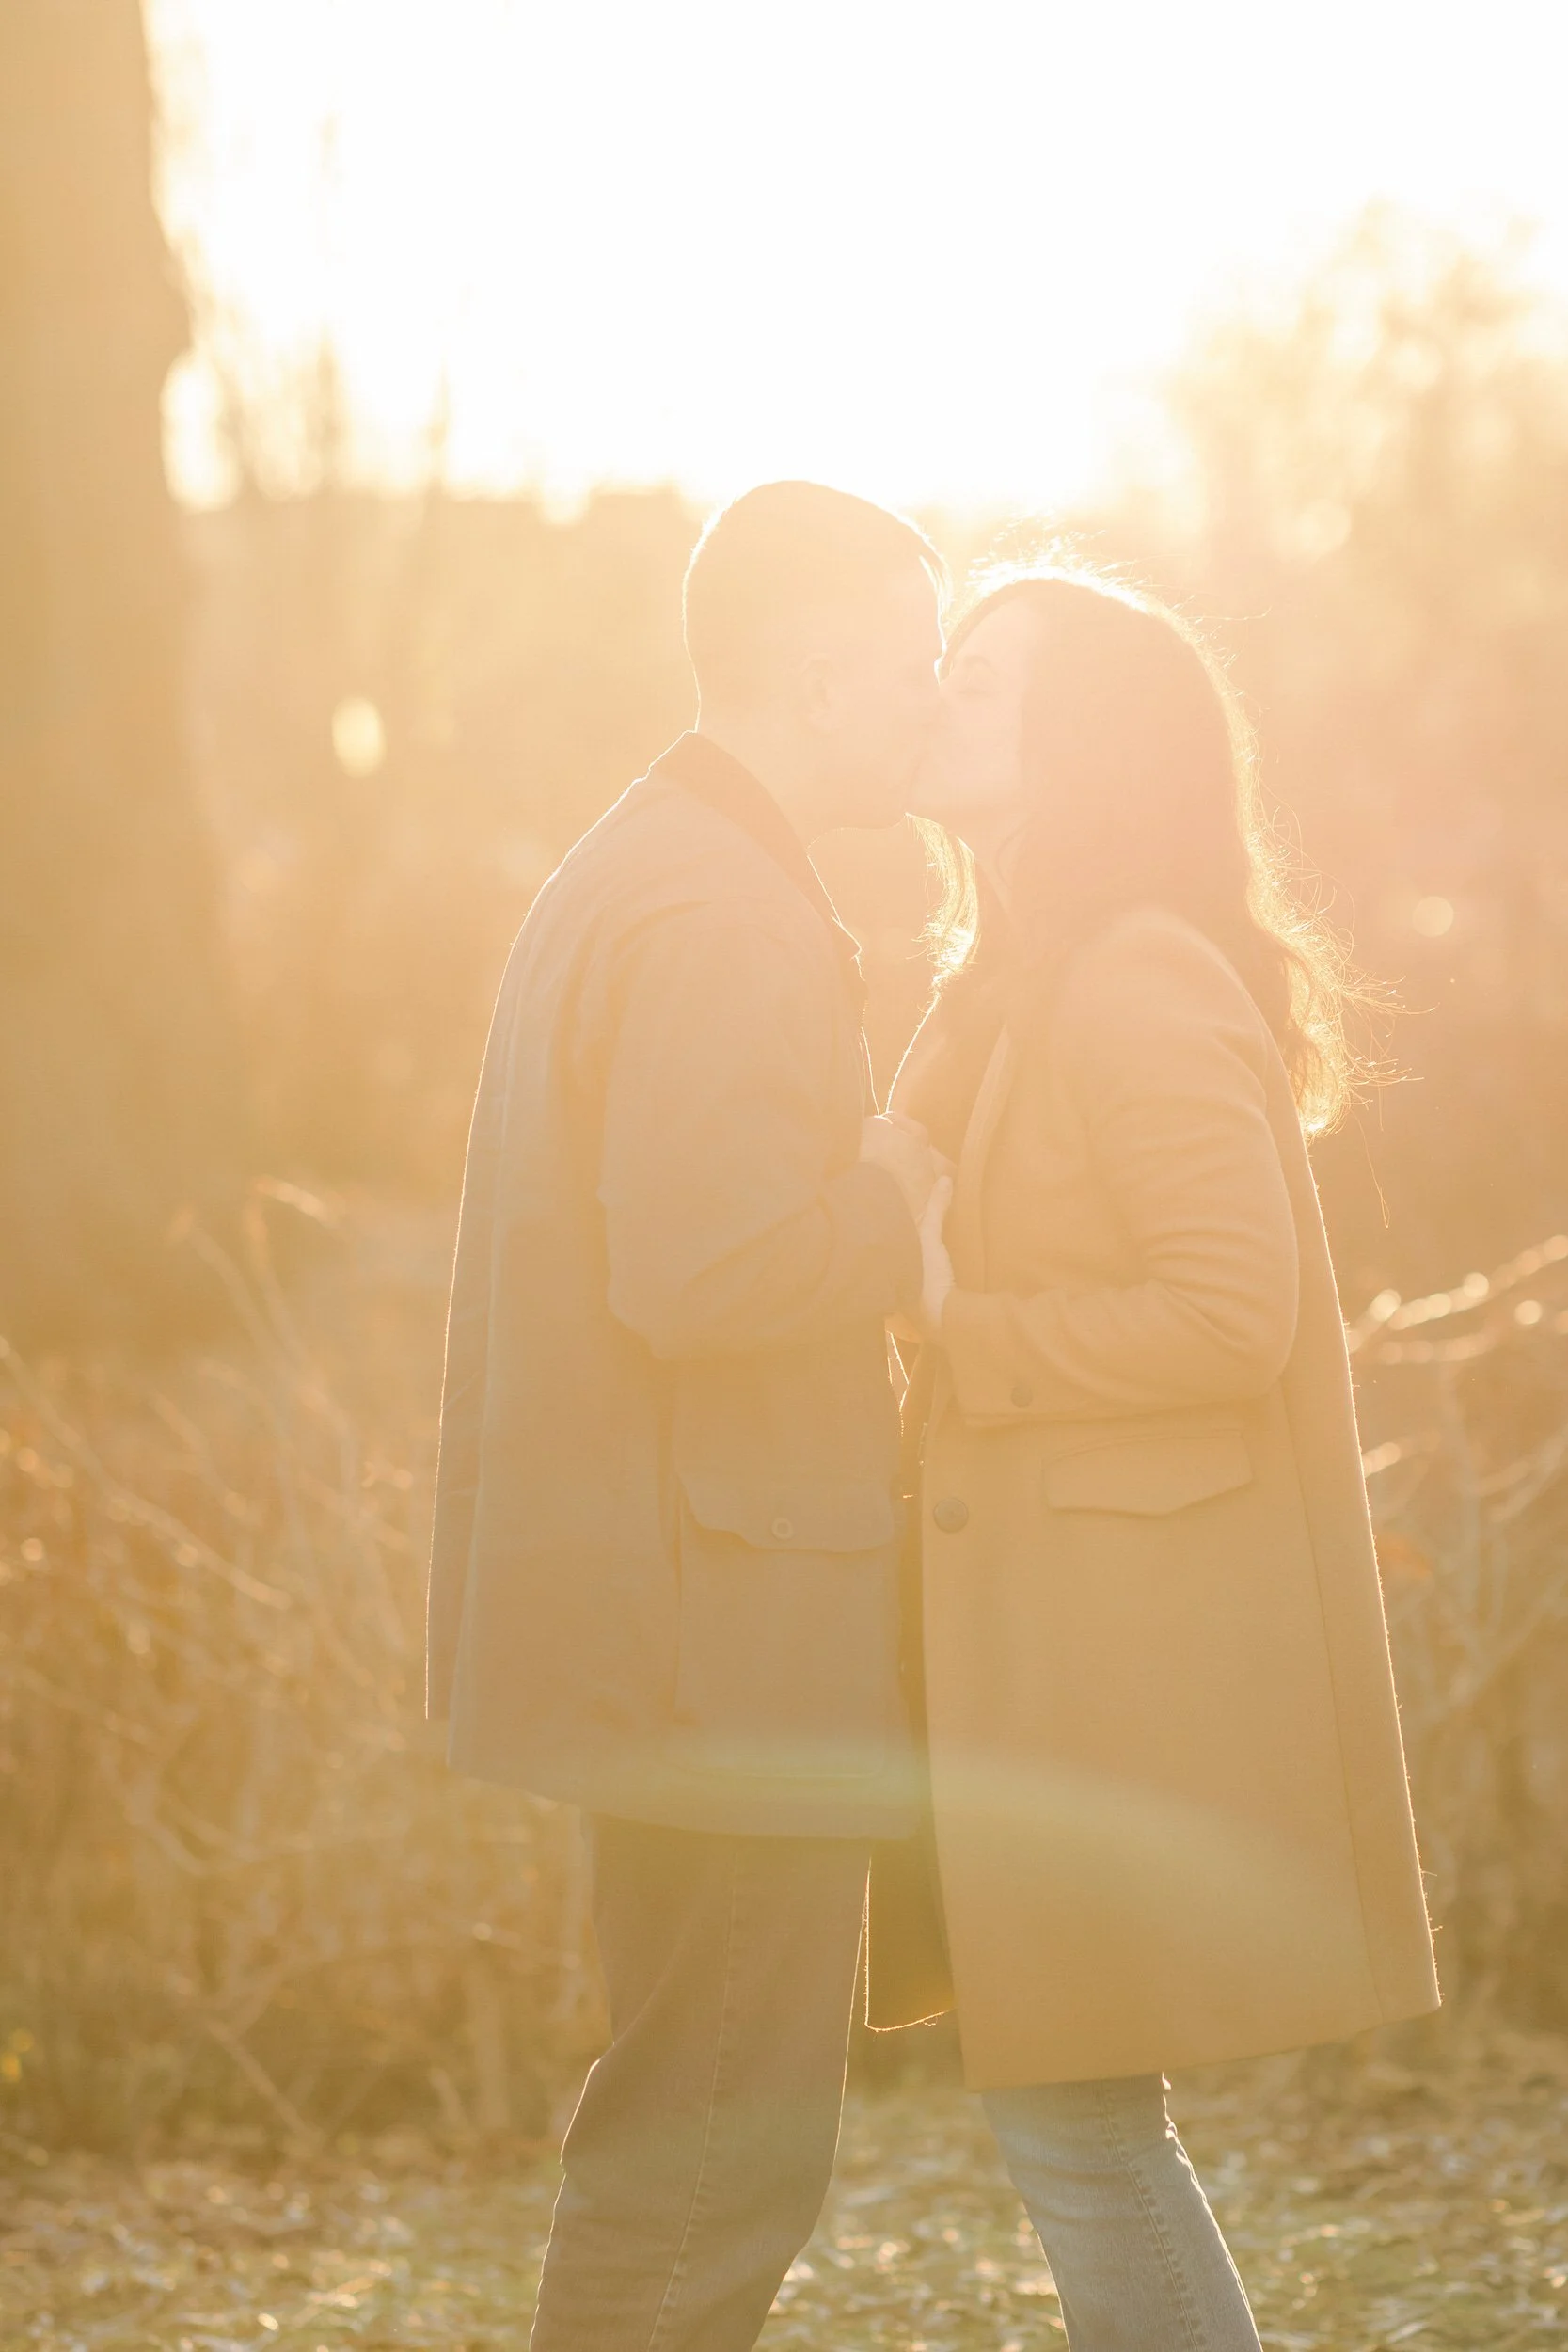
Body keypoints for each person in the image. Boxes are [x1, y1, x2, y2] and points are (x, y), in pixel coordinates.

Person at [880, 565, 1441, 2350]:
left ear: (1081, 744)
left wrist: (960, 1322)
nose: (935, 694)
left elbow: (1230, 1316)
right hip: (1047, 1642)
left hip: (1104, 1654)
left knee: (1081, 2122)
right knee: (1081, 2119)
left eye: (982, 679)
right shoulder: (1008, 978)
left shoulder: (1132, 982)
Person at [425, 481, 950, 2350]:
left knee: (686, 2132)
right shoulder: (718, 905)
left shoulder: (644, 856)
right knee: (718, 2148)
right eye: (908, 667)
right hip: (721, 1636)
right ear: (813, 671)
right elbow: (706, 1275)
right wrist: (900, 1199)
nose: (932, 710)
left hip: (670, 1609)